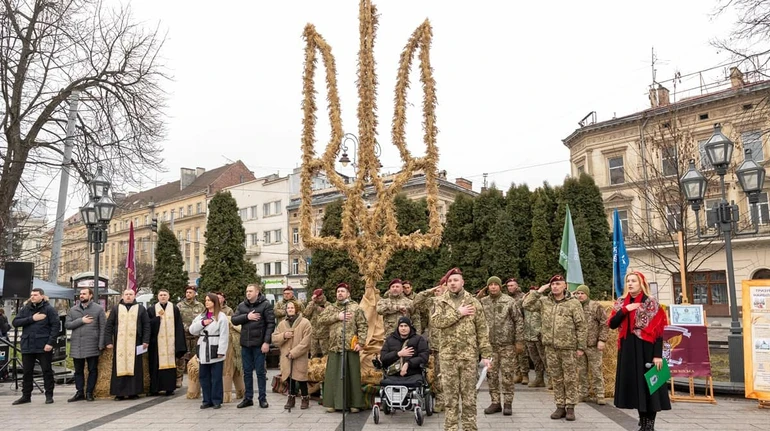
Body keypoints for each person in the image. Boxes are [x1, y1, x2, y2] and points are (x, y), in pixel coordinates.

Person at [432, 268, 493, 431]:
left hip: (468, 356)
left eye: (456, 280)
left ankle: (469, 427)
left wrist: (486, 354)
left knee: (469, 397)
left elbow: (482, 329)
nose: (452, 283)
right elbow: (437, 322)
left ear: (462, 282)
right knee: (450, 397)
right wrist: (458, 313)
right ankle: (450, 428)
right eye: (450, 281)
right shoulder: (440, 301)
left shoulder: (473, 302)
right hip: (448, 356)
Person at [609, 271, 671, 431]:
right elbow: (612, 324)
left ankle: (649, 424)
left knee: (650, 387)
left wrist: (658, 355)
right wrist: (626, 310)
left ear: (641, 283)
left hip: (647, 350)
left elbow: (658, 332)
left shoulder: (651, 303)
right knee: (637, 387)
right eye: (628, 281)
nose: (630, 284)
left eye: (634, 281)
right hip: (628, 349)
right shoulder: (621, 302)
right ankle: (642, 422)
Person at [523, 275, 586, 422]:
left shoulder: (573, 303)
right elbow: (526, 304)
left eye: (558, 284)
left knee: (570, 378)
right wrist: (539, 291)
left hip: (568, 347)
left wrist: (581, 346)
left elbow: (581, 326)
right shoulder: (545, 302)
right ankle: (560, 405)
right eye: (552, 284)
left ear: (565, 286)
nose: (555, 287)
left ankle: (570, 407)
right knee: (556, 378)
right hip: (550, 347)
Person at [318, 282, 368, 413]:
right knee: (333, 375)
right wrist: (337, 317)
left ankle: (354, 403)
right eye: (338, 291)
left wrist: (361, 343)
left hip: (350, 346)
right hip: (335, 346)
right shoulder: (331, 307)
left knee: (352, 376)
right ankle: (333, 403)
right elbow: (321, 320)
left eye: (343, 291)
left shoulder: (356, 308)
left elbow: (363, 325)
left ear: (348, 294)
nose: (340, 293)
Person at [479, 276, 525, 416]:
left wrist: (519, 341)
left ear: (500, 286)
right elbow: (478, 323)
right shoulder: (483, 302)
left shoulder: (509, 301)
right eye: (490, 285)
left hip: (507, 345)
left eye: (495, 284)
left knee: (507, 375)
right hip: (489, 346)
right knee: (491, 376)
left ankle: (508, 403)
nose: (493, 287)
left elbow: (519, 321)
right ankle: (495, 402)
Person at [11, 287, 59, 405]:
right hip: (27, 345)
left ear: (42, 296)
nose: (33, 297)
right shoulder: (26, 309)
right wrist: (32, 318)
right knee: (27, 372)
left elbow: (55, 327)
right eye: (32, 295)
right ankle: (26, 396)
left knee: (46, 370)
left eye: (35, 295)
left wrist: (50, 343)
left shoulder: (49, 309)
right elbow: (15, 322)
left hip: (43, 345)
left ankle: (49, 395)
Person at [232, 283, 275, 409]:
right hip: (245, 344)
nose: (248, 293)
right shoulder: (242, 305)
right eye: (247, 291)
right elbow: (234, 320)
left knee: (261, 373)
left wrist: (266, 342)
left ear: (257, 292)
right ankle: (248, 398)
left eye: (250, 291)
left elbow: (270, 324)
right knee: (247, 372)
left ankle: (262, 398)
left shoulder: (265, 305)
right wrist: (247, 316)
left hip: (259, 344)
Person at [104, 289, 151, 400]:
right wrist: (108, 341)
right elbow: (109, 326)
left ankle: (133, 392)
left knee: (135, 367)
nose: (128, 296)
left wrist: (146, 340)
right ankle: (119, 393)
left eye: (131, 294)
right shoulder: (116, 309)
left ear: (134, 296)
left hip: (136, 342)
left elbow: (146, 326)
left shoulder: (140, 309)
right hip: (119, 343)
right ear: (123, 296)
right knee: (119, 366)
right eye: (126, 294)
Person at [411, 277, 447, 412]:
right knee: (438, 374)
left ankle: (451, 401)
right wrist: (431, 290)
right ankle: (440, 401)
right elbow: (417, 301)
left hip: (452, 345)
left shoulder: (453, 301)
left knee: (451, 375)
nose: (440, 289)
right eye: (440, 286)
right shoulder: (431, 302)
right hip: (436, 345)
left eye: (444, 286)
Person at [65, 288, 106, 402]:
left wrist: (101, 343)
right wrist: (81, 320)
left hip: (92, 344)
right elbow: (67, 325)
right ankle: (79, 392)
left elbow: (103, 327)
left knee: (92, 369)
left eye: (84, 294)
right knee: (78, 370)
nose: (81, 296)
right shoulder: (73, 310)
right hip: (77, 345)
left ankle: (89, 392)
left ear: (91, 295)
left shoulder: (98, 309)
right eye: (80, 294)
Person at [190, 292, 229, 409]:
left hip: (215, 346)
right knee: (203, 376)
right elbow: (192, 330)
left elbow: (224, 335)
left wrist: (221, 350)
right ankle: (206, 399)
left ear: (214, 302)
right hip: (203, 347)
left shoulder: (221, 317)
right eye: (206, 300)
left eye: (209, 300)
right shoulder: (201, 316)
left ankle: (217, 400)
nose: (207, 302)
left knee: (216, 377)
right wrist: (202, 323)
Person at [147, 289, 187, 396]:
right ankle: (155, 388)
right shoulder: (151, 309)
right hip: (157, 345)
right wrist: (156, 320)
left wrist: (179, 344)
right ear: (158, 297)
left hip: (171, 343)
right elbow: (148, 325)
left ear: (168, 296)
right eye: (161, 295)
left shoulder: (174, 309)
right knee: (155, 365)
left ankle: (169, 388)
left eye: (165, 295)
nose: (163, 297)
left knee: (170, 365)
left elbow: (179, 326)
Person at [573, 284, 609, 405]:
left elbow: (604, 323)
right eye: (578, 293)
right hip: (579, 345)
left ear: (587, 294)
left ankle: (600, 394)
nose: (580, 296)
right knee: (581, 371)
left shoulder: (595, 306)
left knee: (596, 370)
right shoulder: (575, 307)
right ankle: (583, 393)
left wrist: (602, 340)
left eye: (582, 293)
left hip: (593, 345)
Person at [274, 300, 312, 410]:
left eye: (292, 308)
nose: (290, 309)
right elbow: (274, 338)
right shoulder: (282, 324)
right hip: (286, 357)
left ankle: (305, 398)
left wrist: (294, 352)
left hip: (299, 356)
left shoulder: (305, 323)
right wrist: (284, 335)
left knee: (301, 378)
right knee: (289, 378)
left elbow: (306, 342)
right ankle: (291, 398)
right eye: (288, 308)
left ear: (297, 309)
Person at [379, 316, 429, 381]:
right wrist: (398, 354)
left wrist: (408, 363)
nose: (403, 328)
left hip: (413, 374)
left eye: (406, 326)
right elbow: (383, 358)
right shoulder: (390, 340)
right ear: (398, 327)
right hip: (393, 374)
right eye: (401, 326)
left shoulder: (419, 339)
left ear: (410, 327)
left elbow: (424, 357)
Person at [216, 291, 245, 403]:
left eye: (220, 298)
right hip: (215, 341)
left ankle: (229, 393)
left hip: (230, 342)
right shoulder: (210, 311)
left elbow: (233, 323)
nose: (218, 300)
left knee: (230, 368)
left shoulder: (228, 311)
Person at [521, 282, 547, 389]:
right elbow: (524, 304)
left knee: (545, 358)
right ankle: (539, 378)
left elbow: (527, 304)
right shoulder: (527, 300)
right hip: (529, 334)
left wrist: (535, 295)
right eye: (530, 291)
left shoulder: (543, 301)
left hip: (539, 335)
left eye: (534, 291)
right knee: (535, 359)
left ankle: (552, 379)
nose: (532, 293)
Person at [177, 286, 204, 388]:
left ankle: (197, 378)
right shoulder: (180, 305)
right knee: (182, 358)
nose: (188, 294)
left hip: (196, 336)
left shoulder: (200, 306)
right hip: (184, 335)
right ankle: (179, 378)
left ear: (194, 294)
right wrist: (187, 328)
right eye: (187, 292)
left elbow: (203, 317)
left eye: (190, 292)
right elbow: (178, 319)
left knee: (196, 357)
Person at [302, 288, 330, 358]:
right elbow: (306, 314)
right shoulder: (311, 304)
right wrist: (312, 302)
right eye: (317, 296)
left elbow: (329, 316)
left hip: (324, 333)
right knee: (313, 353)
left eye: (320, 295)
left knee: (326, 353)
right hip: (313, 333)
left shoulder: (328, 304)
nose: (319, 298)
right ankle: (313, 367)